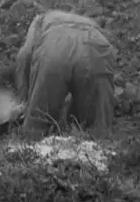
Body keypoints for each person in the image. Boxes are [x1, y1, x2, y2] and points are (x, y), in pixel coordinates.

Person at [15, 10, 117, 139]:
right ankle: (101, 147)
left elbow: (25, 55)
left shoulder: (40, 19)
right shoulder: (89, 23)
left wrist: (24, 100)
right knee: (98, 124)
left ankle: (29, 147)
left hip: (55, 47)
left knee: (37, 123)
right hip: (97, 47)